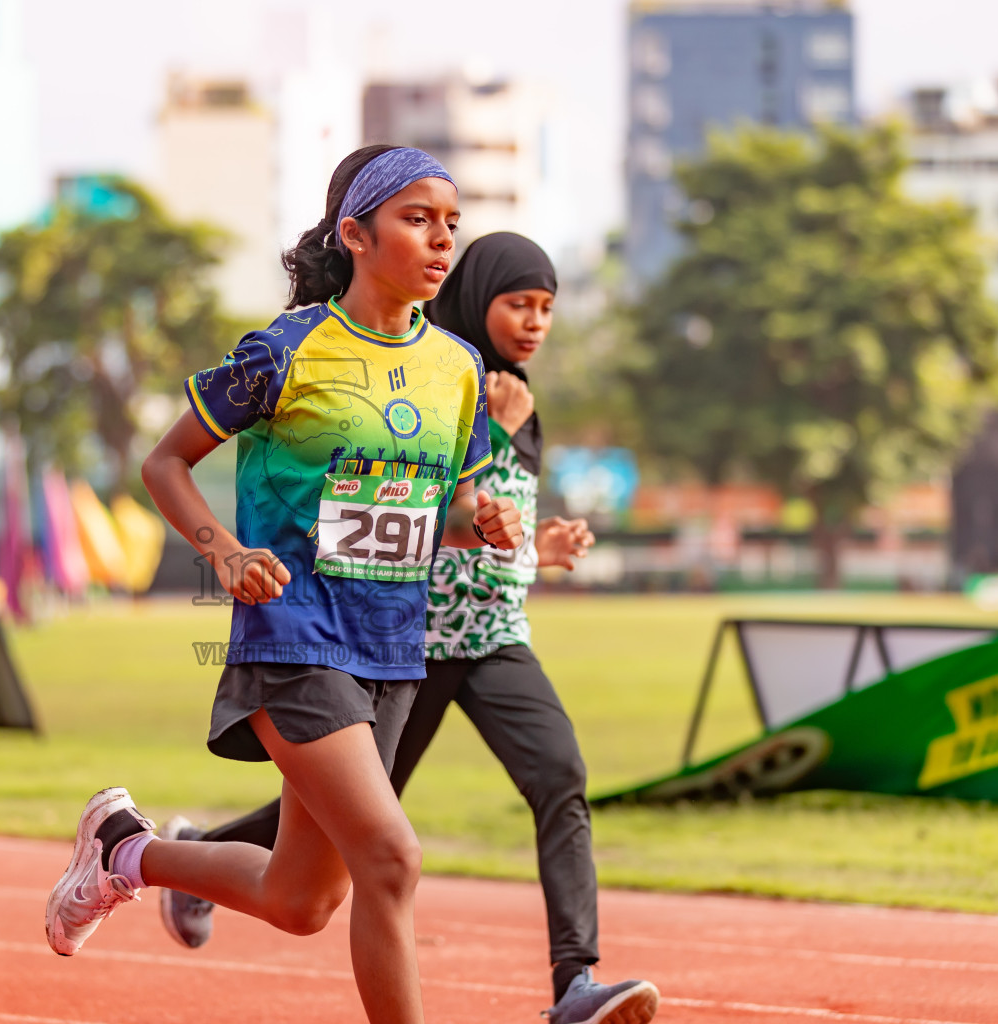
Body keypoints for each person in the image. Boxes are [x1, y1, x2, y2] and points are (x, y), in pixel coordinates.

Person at [43, 145, 524, 1024]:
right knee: (392, 858)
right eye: (418, 218)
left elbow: (451, 500)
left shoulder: (458, 370)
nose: (441, 239)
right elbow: (166, 463)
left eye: (451, 222)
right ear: (356, 232)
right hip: (294, 635)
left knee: (302, 901)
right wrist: (224, 554)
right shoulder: (286, 350)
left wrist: (482, 519)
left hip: (389, 647)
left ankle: (126, 853)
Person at [157, 233, 660, 1024]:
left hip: (475, 635)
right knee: (372, 844)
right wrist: (227, 552)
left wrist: (533, 543)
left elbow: (465, 522)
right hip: (374, 630)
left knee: (545, 781)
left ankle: (575, 981)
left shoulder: (484, 387)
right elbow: (370, 513)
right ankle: (183, 856)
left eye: (547, 310)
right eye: (518, 303)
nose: (534, 323)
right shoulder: (333, 356)